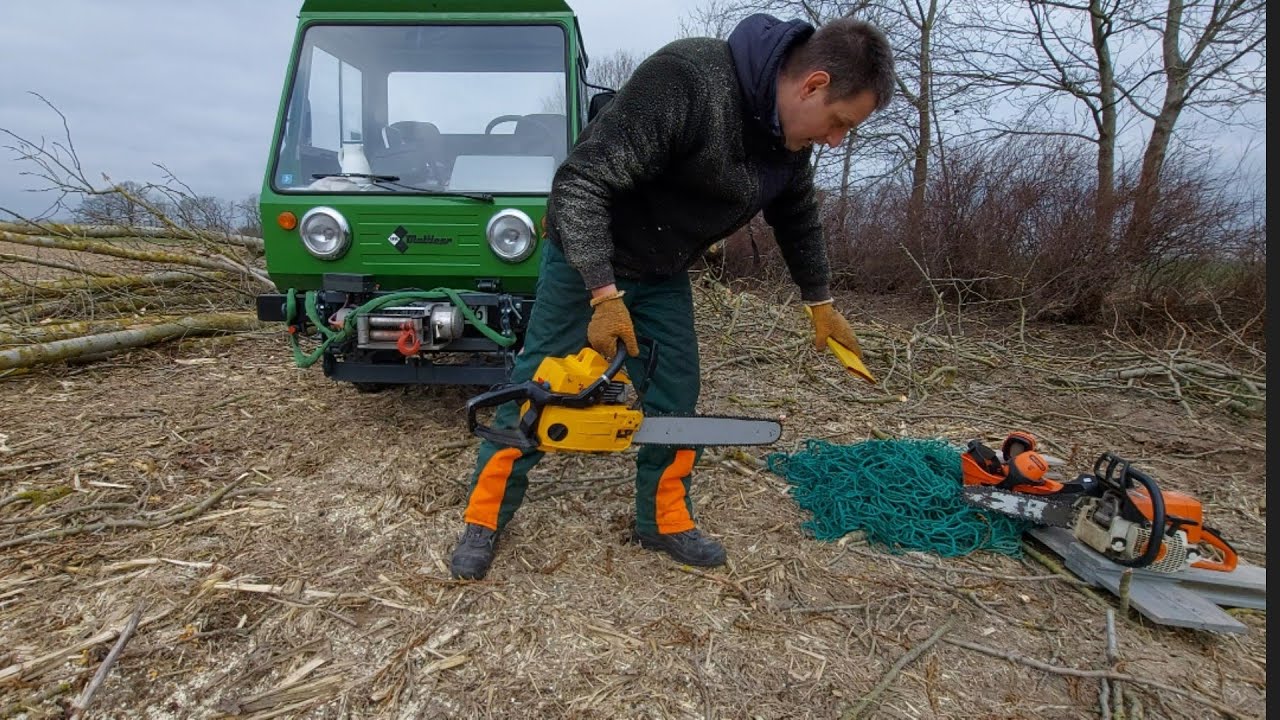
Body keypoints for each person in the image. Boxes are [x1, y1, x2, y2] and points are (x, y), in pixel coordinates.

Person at [450, 13, 896, 580]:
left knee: (676, 400)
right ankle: (484, 518)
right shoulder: (687, 80)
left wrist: (820, 301)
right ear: (813, 85)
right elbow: (580, 182)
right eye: (838, 121)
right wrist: (603, 293)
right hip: (588, 258)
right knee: (543, 384)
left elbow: (797, 214)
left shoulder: (787, 141)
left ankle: (661, 520)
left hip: (661, 271)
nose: (834, 139)